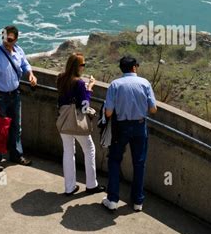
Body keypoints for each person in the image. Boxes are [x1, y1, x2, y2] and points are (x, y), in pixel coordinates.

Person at [102, 55, 157, 212]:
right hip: (140, 126)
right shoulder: (145, 83)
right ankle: (137, 202)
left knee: (114, 160)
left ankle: (112, 199)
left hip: (121, 127)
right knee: (139, 163)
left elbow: (108, 113)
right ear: (134, 67)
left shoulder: (115, 85)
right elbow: (153, 109)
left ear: (122, 69)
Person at [0, 25, 37, 171]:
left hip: (15, 94)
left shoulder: (18, 50)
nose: (7, 42)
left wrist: (30, 74)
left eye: (10, 39)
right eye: (5, 38)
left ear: (16, 39)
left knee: (16, 127)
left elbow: (25, 64)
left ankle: (16, 154)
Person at [56, 53, 105, 196]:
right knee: (89, 149)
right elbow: (84, 107)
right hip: (77, 121)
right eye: (83, 64)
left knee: (68, 152)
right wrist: (89, 88)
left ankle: (69, 187)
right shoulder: (79, 83)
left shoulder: (60, 78)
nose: (84, 67)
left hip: (64, 120)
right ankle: (91, 184)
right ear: (77, 66)